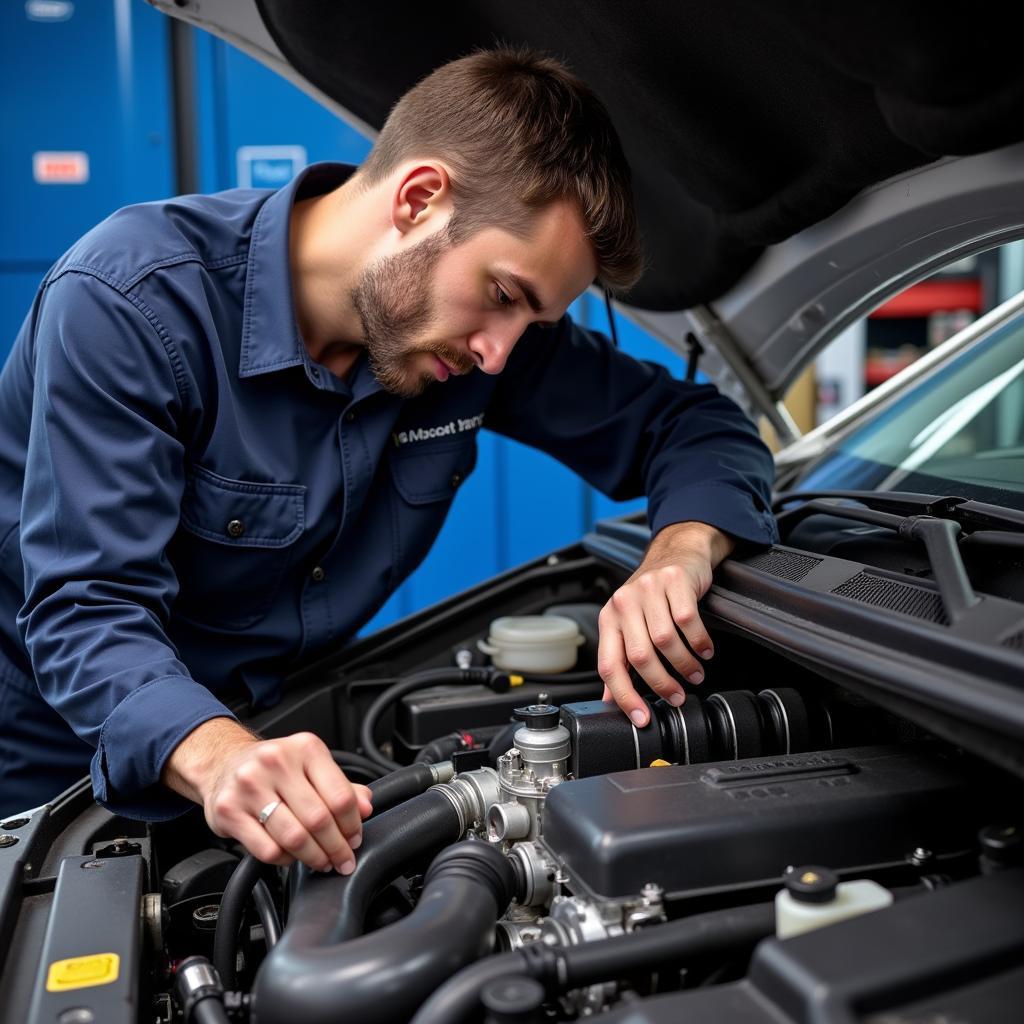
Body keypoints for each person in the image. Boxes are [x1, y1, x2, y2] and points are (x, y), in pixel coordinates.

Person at [0, 49, 777, 873]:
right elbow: (88, 609)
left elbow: (696, 424)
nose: (499, 356)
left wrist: (680, 552)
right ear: (419, 199)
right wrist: (220, 754)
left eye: (531, 321)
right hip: (47, 768)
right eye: (506, 296)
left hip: (277, 749)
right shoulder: (132, 302)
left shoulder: (472, 341)